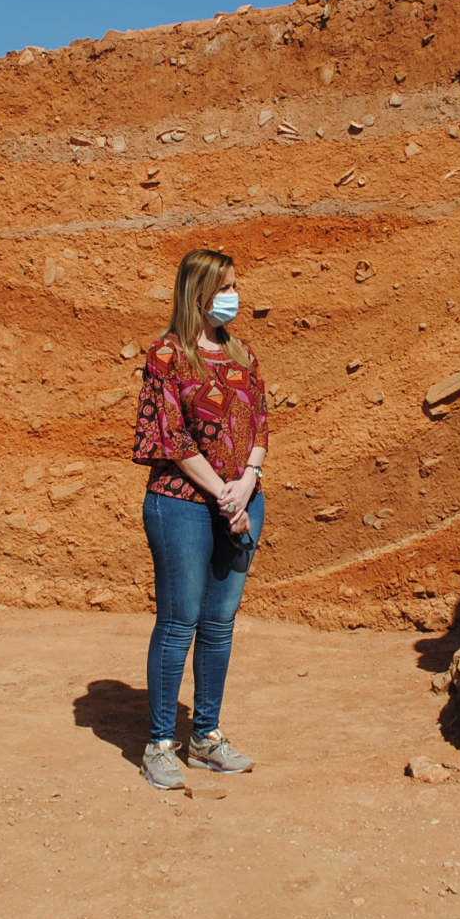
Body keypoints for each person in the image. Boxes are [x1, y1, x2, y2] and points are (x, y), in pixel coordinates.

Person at [130, 248, 268, 791]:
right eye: (224, 287)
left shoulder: (242, 353)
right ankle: (160, 743)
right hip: (182, 502)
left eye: (235, 285)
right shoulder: (166, 354)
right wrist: (225, 496)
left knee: (219, 622)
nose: (233, 296)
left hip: (242, 498)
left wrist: (248, 482)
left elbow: (260, 424)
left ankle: (205, 736)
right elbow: (170, 437)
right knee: (179, 620)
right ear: (198, 293)